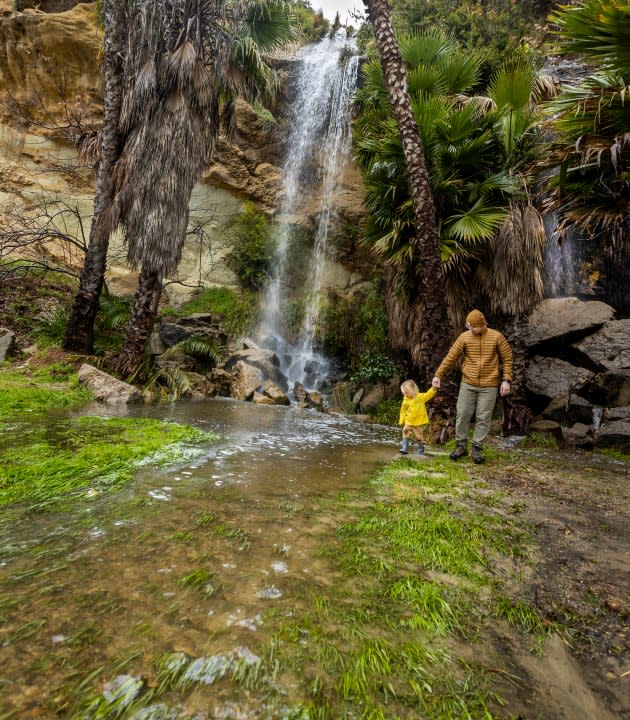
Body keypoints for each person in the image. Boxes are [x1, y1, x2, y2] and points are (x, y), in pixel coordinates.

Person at [431, 309, 512, 465]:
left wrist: (506, 380)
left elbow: (507, 358)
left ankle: (477, 448)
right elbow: (451, 357)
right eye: (469, 326)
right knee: (462, 414)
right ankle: (461, 446)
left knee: (483, 417)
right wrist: (438, 375)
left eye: (473, 327)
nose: (471, 329)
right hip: (468, 383)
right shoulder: (464, 337)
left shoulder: (497, 337)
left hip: (489, 385)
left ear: (482, 324)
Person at [398, 379, 437, 456]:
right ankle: (404, 448)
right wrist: (402, 421)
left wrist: (433, 388)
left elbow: (428, 395)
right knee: (405, 432)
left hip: (418, 422)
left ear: (413, 390)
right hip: (408, 421)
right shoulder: (405, 400)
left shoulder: (420, 397)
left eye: (406, 392)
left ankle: (420, 450)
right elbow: (403, 411)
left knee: (419, 436)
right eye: (404, 393)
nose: (405, 394)